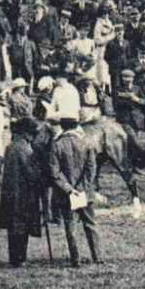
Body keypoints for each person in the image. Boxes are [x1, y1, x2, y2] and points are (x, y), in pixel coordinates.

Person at [48, 110, 101, 267]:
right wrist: (82, 188)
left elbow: (54, 172)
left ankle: (75, 258)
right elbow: (91, 168)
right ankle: (97, 256)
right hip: (85, 192)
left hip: (66, 194)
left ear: (63, 128)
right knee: (90, 224)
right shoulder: (87, 143)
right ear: (76, 126)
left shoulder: (57, 145)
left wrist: (70, 189)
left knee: (70, 226)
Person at [0, 117, 44, 266]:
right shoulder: (24, 148)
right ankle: (19, 259)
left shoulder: (11, 146)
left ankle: (14, 258)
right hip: (23, 194)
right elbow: (31, 173)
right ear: (26, 134)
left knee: (13, 227)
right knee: (22, 227)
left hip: (10, 192)